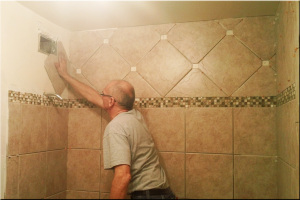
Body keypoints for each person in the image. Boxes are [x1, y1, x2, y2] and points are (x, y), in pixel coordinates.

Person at [54, 55, 176, 199]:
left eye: (103, 94)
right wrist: (65, 75)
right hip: (164, 193)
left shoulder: (116, 127)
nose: (101, 95)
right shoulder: (135, 116)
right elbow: (93, 96)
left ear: (111, 101)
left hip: (147, 195)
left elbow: (123, 176)